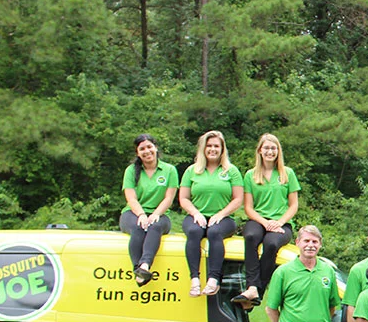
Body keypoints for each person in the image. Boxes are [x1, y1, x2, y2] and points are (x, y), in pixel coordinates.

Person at [235, 133, 299, 308]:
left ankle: (256, 291)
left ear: (278, 151)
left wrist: (278, 222)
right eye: (267, 148)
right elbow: (248, 207)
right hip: (258, 219)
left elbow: (293, 205)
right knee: (251, 237)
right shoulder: (250, 175)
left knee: (271, 244)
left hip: (282, 222)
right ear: (260, 151)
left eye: (273, 148)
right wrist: (265, 223)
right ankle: (252, 286)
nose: (270, 151)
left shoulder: (287, 173)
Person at [178, 130, 243, 298]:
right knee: (193, 232)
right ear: (203, 148)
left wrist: (221, 214)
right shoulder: (192, 171)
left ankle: (213, 279)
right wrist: (195, 213)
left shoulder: (231, 171)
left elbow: (238, 199)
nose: (212, 149)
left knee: (214, 232)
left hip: (223, 218)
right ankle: (194, 279)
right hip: (196, 216)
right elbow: (183, 198)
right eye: (209, 146)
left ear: (222, 149)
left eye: (216, 146)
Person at [119, 134, 178, 286]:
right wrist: (141, 214)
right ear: (137, 152)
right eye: (142, 149)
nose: (147, 151)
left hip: (161, 213)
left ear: (156, 148)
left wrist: (155, 214)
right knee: (139, 227)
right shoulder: (131, 171)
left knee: (155, 226)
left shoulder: (169, 170)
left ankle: (145, 265)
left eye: (149, 147)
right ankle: (138, 271)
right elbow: (131, 198)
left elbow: (168, 198)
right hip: (133, 212)